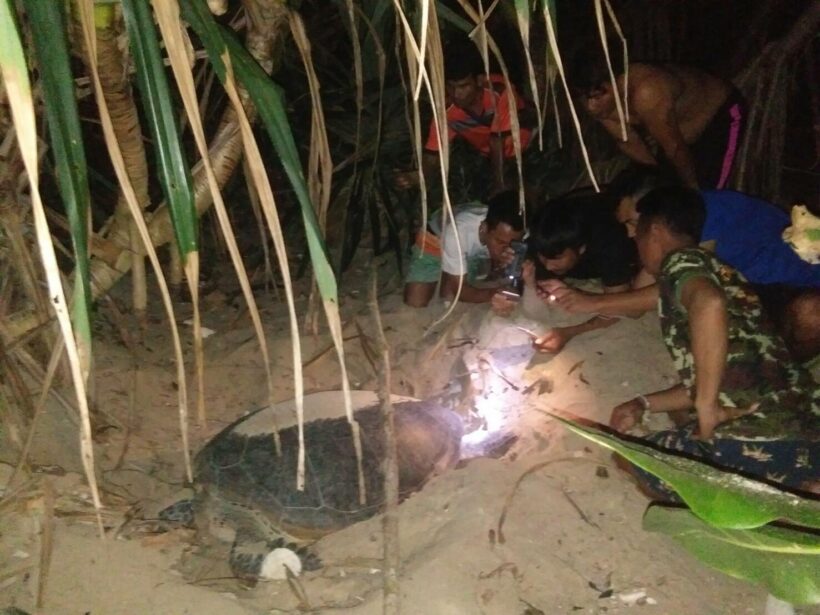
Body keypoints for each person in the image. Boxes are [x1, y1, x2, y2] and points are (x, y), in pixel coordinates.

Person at [608, 189, 818, 497]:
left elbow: (709, 304)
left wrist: (707, 408)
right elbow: (720, 376)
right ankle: (801, 483)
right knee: (689, 414)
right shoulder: (729, 276)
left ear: (653, 232)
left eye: (635, 234)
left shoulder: (680, 263)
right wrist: (643, 403)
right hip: (809, 425)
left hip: (759, 440)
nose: (634, 245)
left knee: (629, 458)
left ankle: (771, 494)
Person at [543, 171, 820, 361]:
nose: (629, 234)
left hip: (797, 286)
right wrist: (571, 329)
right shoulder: (674, 230)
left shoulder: (710, 218)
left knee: (807, 317)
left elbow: (674, 287)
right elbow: (635, 307)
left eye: (632, 223)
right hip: (754, 284)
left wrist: (590, 302)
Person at [569, 40, 745, 189]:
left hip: (720, 116)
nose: (591, 107)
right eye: (585, 98)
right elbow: (628, 141)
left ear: (616, 81)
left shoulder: (647, 91)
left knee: (710, 192)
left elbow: (675, 148)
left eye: (597, 97)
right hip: (677, 135)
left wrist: (693, 192)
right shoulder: (598, 101)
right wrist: (660, 180)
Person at [394, 37, 533, 200]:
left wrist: (499, 187)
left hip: (530, 148)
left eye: (463, 86)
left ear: (480, 81)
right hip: (494, 160)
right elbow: (433, 154)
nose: (457, 94)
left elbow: (498, 142)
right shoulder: (446, 111)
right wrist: (417, 177)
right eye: (451, 87)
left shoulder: (500, 92)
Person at [505, 193, 641, 352]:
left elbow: (622, 306)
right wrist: (527, 283)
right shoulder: (542, 244)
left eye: (557, 259)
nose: (548, 266)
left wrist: (568, 331)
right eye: (544, 259)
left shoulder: (609, 244)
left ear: (581, 249)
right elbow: (532, 307)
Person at [403, 190, 524, 307]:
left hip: (469, 252)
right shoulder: (458, 231)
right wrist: (492, 294)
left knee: (448, 294)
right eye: (500, 242)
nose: (506, 248)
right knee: (416, 300)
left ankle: (453, 272)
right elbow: (459, 292)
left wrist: (502, 263)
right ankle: (449, 271)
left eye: (512, 243)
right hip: (434, 241)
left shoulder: (518, 230)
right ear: (484, 228)